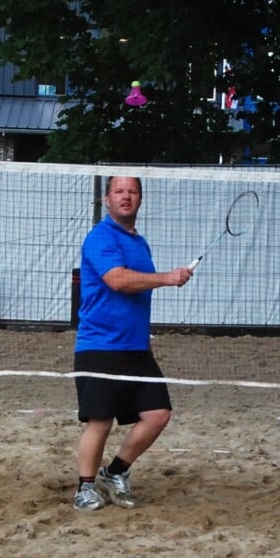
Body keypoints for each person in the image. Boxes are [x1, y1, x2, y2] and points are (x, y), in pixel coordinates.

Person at [71, 175, 191, 510]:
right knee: (101, 420)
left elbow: (136, 280)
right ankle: (84, 488)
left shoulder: (140, 242)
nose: (126, 197)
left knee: (158, 415)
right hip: (99, 346)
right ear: (107, 200)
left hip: (136, 348)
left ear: (140, 198)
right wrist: (167, 278)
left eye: (132, 191)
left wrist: (164, 278)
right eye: (119, 191)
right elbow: (117, 279)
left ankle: (116, 471)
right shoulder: (99, 237)